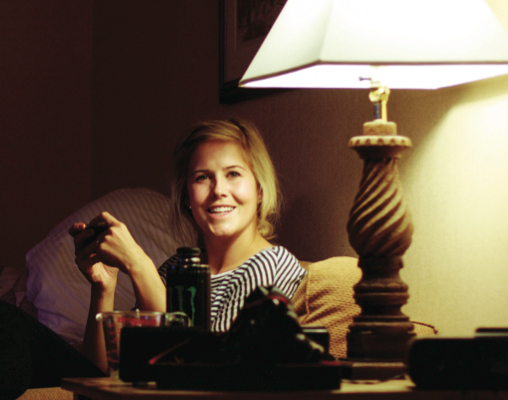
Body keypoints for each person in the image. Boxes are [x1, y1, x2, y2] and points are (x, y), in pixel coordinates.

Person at [69, 118, 306, 373]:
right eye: (202, 177)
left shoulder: (272, 265)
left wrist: (138, 264)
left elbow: (204, 370)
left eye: (233, 174)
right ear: (186, 197)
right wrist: (103, 289)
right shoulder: (175, 268)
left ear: (259, 189)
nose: (218, 190)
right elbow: (103, 374)